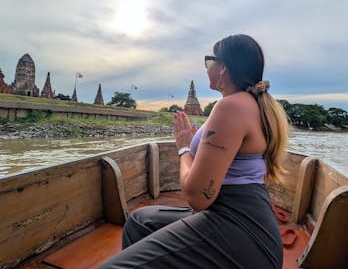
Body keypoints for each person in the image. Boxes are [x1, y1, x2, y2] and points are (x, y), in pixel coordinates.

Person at [98, 34, 289, 268]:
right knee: (139, 221)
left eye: (210, 60)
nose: (207, 67)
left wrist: (184, 148)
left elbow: (198, 198)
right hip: (240, 214)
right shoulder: (248, 104)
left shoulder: (232, 107)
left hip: (240, 226)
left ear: (223, 68)